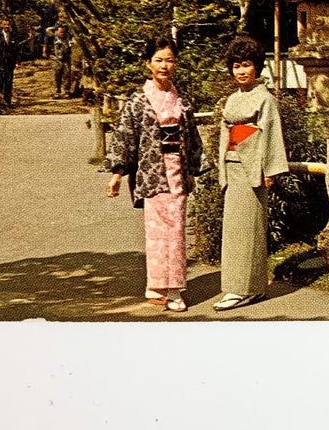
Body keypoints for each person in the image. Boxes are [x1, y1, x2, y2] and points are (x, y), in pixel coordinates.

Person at [105, 37, 203, 312]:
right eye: (158, 60)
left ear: (175, 63)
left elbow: (192, 136)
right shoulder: (137, 100)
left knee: (176, 232)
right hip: (152, 173)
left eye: (169, 60)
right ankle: (157, 285)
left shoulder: (181, 98)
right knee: (157, 233)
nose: (164, 65)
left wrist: (193, 169)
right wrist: (116, 174)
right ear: (148, 63)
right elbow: (125, 137)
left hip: (177, 172)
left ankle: (174, 289)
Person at [214, 34, 289, 311]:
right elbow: (225, 133)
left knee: (249, 229)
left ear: (256, 66)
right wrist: (222, 164)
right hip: (232, 165)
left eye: (246, 65)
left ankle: (244, 289)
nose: (241, 71)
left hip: (253, 168)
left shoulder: (265, 99)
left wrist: (269, 170)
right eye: (236, 66)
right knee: (234, 230)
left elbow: (270, 134)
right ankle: (245, 287)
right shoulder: (232, 100)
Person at [0, 17, 20, 105]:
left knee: (9, 82)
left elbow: (16, 50)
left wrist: (17, 62)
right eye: (5, 25)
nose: (7, 26)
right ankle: (0, 102)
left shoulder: (13, 36)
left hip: (10, 62)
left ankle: (7, 101)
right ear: (1, 25)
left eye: (8, 25)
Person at [47, 23, 72, 98]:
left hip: (66, 59)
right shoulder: (53, 38)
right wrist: (55, 28)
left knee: (67, 75)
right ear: (57, 32)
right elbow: (47, 30)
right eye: (61, 32)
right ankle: (57, 92)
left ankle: (66, 92)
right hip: (56, 59)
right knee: (56, 76)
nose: (62, 34)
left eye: (63, 32)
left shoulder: (68, 38)